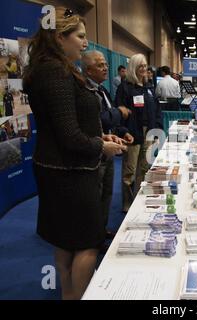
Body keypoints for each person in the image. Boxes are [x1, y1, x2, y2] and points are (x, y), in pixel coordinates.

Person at [22, 7, 126, 300]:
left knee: (66, 243)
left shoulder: (52, 69)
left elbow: (66, 126)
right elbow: (68, 136)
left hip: (61, 170)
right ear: (59, 37)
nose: (85, 43)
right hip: (70, 174)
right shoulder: (55, 72)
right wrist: (101, 147)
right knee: (86, 244)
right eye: (80, 36)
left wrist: (100, 136)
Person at [81, 50, 134, 240]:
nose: (105, 68)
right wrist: (119, 112)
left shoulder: (102, 90)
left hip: (108, 149)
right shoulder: (86, 91)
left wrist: (122, 132)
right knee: (96, 197)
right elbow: (100, 118)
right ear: (87, 70)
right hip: (95, 152)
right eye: (100, 65)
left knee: (107, 195)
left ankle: (101, 232)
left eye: (105, 64)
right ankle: (92, 238)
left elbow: (109, 117)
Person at [116, 54, 163, 213]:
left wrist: (158, 129)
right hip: (132, 133)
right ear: (133, 68)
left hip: (148, 132)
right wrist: (124, 132)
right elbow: (120, 112)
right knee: (129, 171)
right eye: (140, 66)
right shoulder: (125, 87)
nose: (143, 69)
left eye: (145, 66)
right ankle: (127, 204)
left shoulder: (149, 87)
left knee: (144, 168)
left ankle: (139, 200)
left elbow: (157, 111)